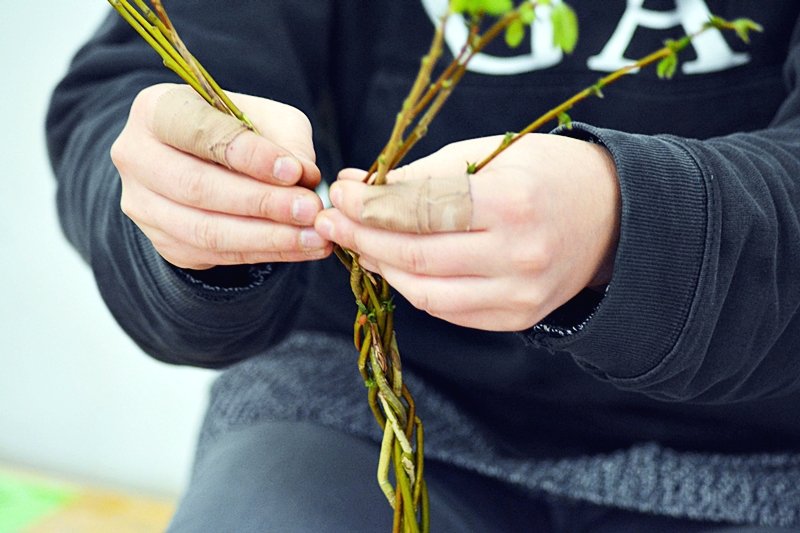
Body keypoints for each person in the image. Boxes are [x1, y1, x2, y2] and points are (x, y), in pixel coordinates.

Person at [47, 1, 800, 531]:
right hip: (357, 404)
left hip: (765, 444)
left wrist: (630, 226)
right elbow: (136, 87)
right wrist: (187, 207)